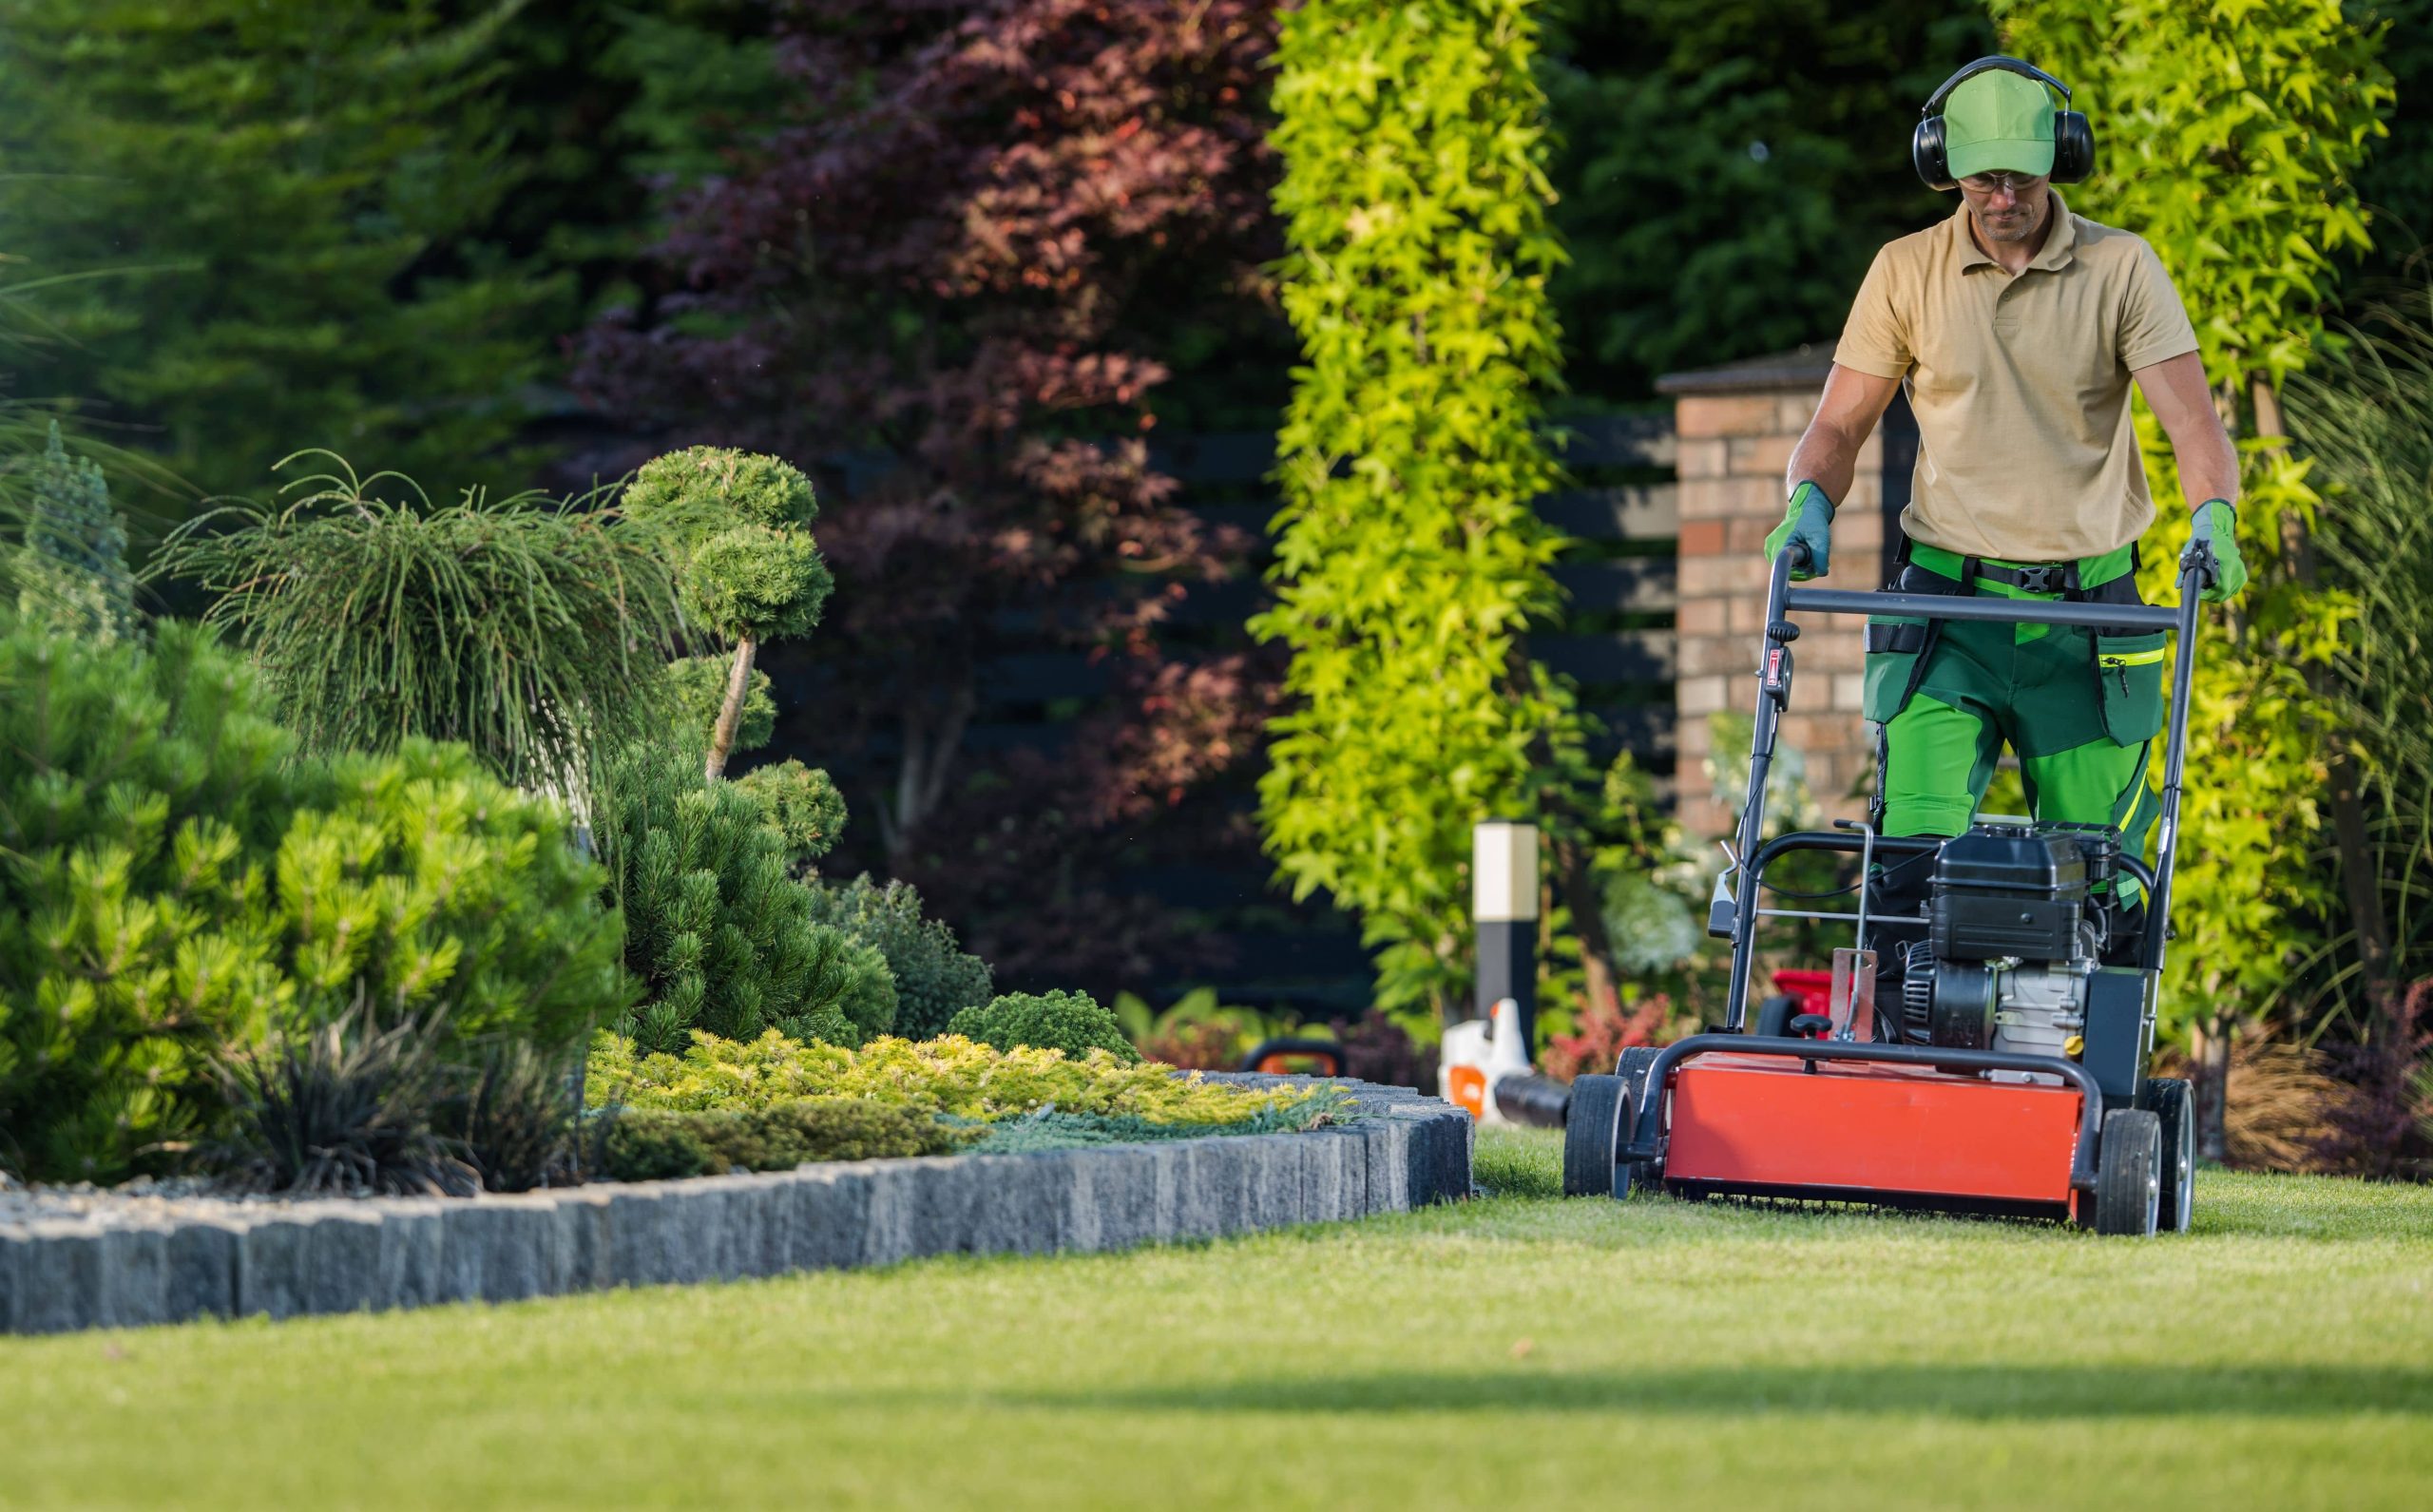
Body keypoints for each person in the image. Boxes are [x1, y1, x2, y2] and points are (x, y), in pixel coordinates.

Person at [1761, 56, 2245, 1026]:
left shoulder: (2120, 268)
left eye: (2022, 175)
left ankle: (2078, 1072)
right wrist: (1807, 500)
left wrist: (2213, 518)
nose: (2004, 197)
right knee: (1909, 861)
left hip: (2087, 623)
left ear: (2060, 159)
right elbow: (1841, 422)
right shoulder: (1906, 271)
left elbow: (2192, 424)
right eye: (1983, 177)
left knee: (2096, 878)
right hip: (1949, 613)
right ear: (1945, 166)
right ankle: (1899, 1060)